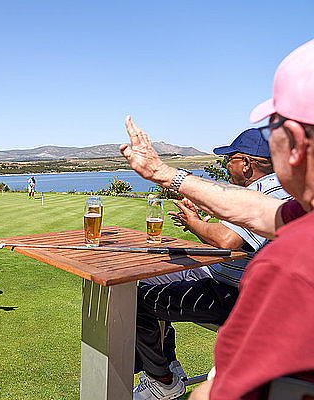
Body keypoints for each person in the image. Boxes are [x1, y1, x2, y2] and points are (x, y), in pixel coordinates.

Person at [119, 38, 314, 399]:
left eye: (274, 128)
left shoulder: (289, 266)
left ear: (297, 141)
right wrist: (165, 173)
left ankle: (162, 382)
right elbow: (259, 211)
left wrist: (210, 385)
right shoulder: (302, 212)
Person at [133, 129, 290, 400]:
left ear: (246, 163)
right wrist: (200, 224)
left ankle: (162, 380)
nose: (227, 165)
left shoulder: (268, 190)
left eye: (230, 159)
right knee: (148, 279)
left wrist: (195, 223)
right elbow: (232, 236)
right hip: (221, 277)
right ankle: (166, 366)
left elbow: (228, 240)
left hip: (235, 294)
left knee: (134, 299)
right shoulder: (271, 186)